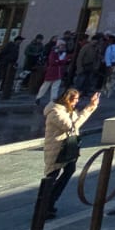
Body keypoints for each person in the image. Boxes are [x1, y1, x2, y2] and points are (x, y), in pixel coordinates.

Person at [41, 88, 99, 220]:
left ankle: (50, 202)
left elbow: (75, 122)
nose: (76, 103)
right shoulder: (55, 111)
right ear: (67, 99)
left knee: (69, 170)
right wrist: (89, 108)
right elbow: (72, 126)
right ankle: (45, 205)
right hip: (56, 148)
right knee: (51, 175)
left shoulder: (68, 110)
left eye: (78, 100)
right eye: (74, 100)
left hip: (68, 147)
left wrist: (91, 105)